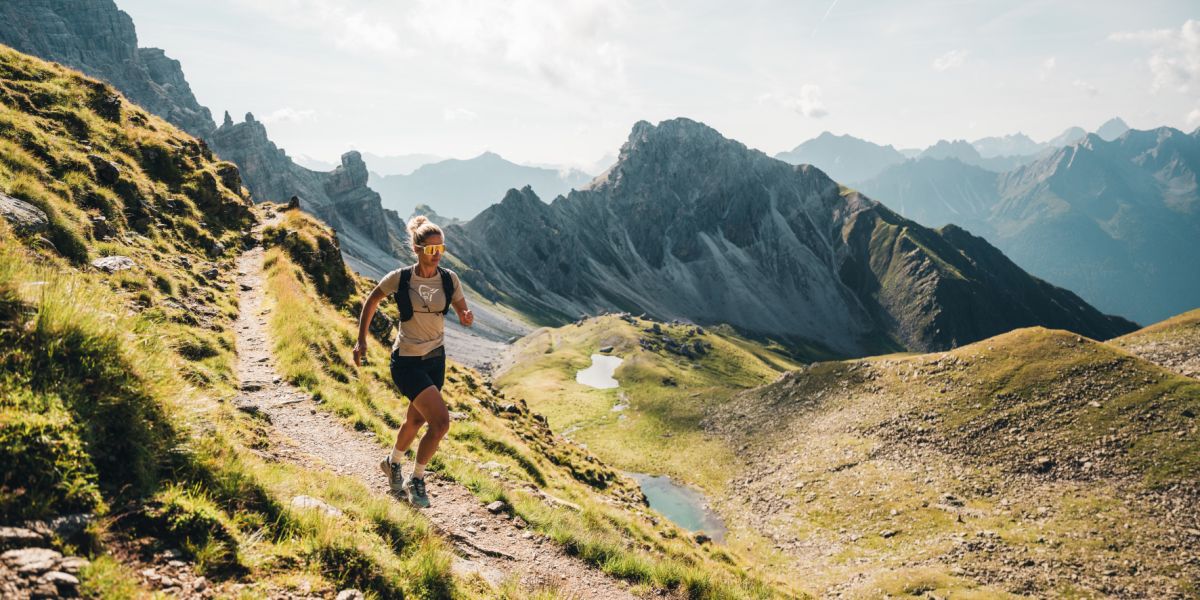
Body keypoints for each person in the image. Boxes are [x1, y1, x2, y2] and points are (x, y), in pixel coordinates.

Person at [352, 215, 473, 507]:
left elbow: (461, 307)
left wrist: (465, 315)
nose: (437, 254)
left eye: (441, 249)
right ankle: (417, 479)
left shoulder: (448, 278)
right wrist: (361, 340)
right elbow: (372, 299)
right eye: (431, 249)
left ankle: (392, 462)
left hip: (435, 360)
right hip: (407, 361)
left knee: (417, 419)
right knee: (441, 423)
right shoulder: (402, 278)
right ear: (417, 250)